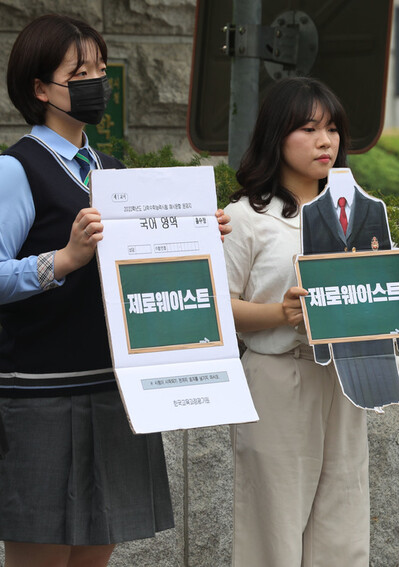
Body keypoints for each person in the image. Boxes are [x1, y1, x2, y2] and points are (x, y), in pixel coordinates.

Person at [0, 14, 227, 567]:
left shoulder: (115, 172)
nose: (96, 82)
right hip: (40, 394)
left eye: (101, 69)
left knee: (95, 555)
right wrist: (64, 259)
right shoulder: (15, 169)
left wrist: (196, 237)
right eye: (80, 71)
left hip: (115, 388)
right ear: (40, 89)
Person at [223, 76, 399, 567]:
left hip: (347, 378)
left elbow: (367, 290)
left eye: (332, 129)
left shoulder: (357, 213)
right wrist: (279, 313)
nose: (324, 140)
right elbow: (217, 307)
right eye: (308, 129)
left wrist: (397, 302)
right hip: (277, 378)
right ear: (276, 135)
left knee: (343, 526)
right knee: (275, 527)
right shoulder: (245, 217)